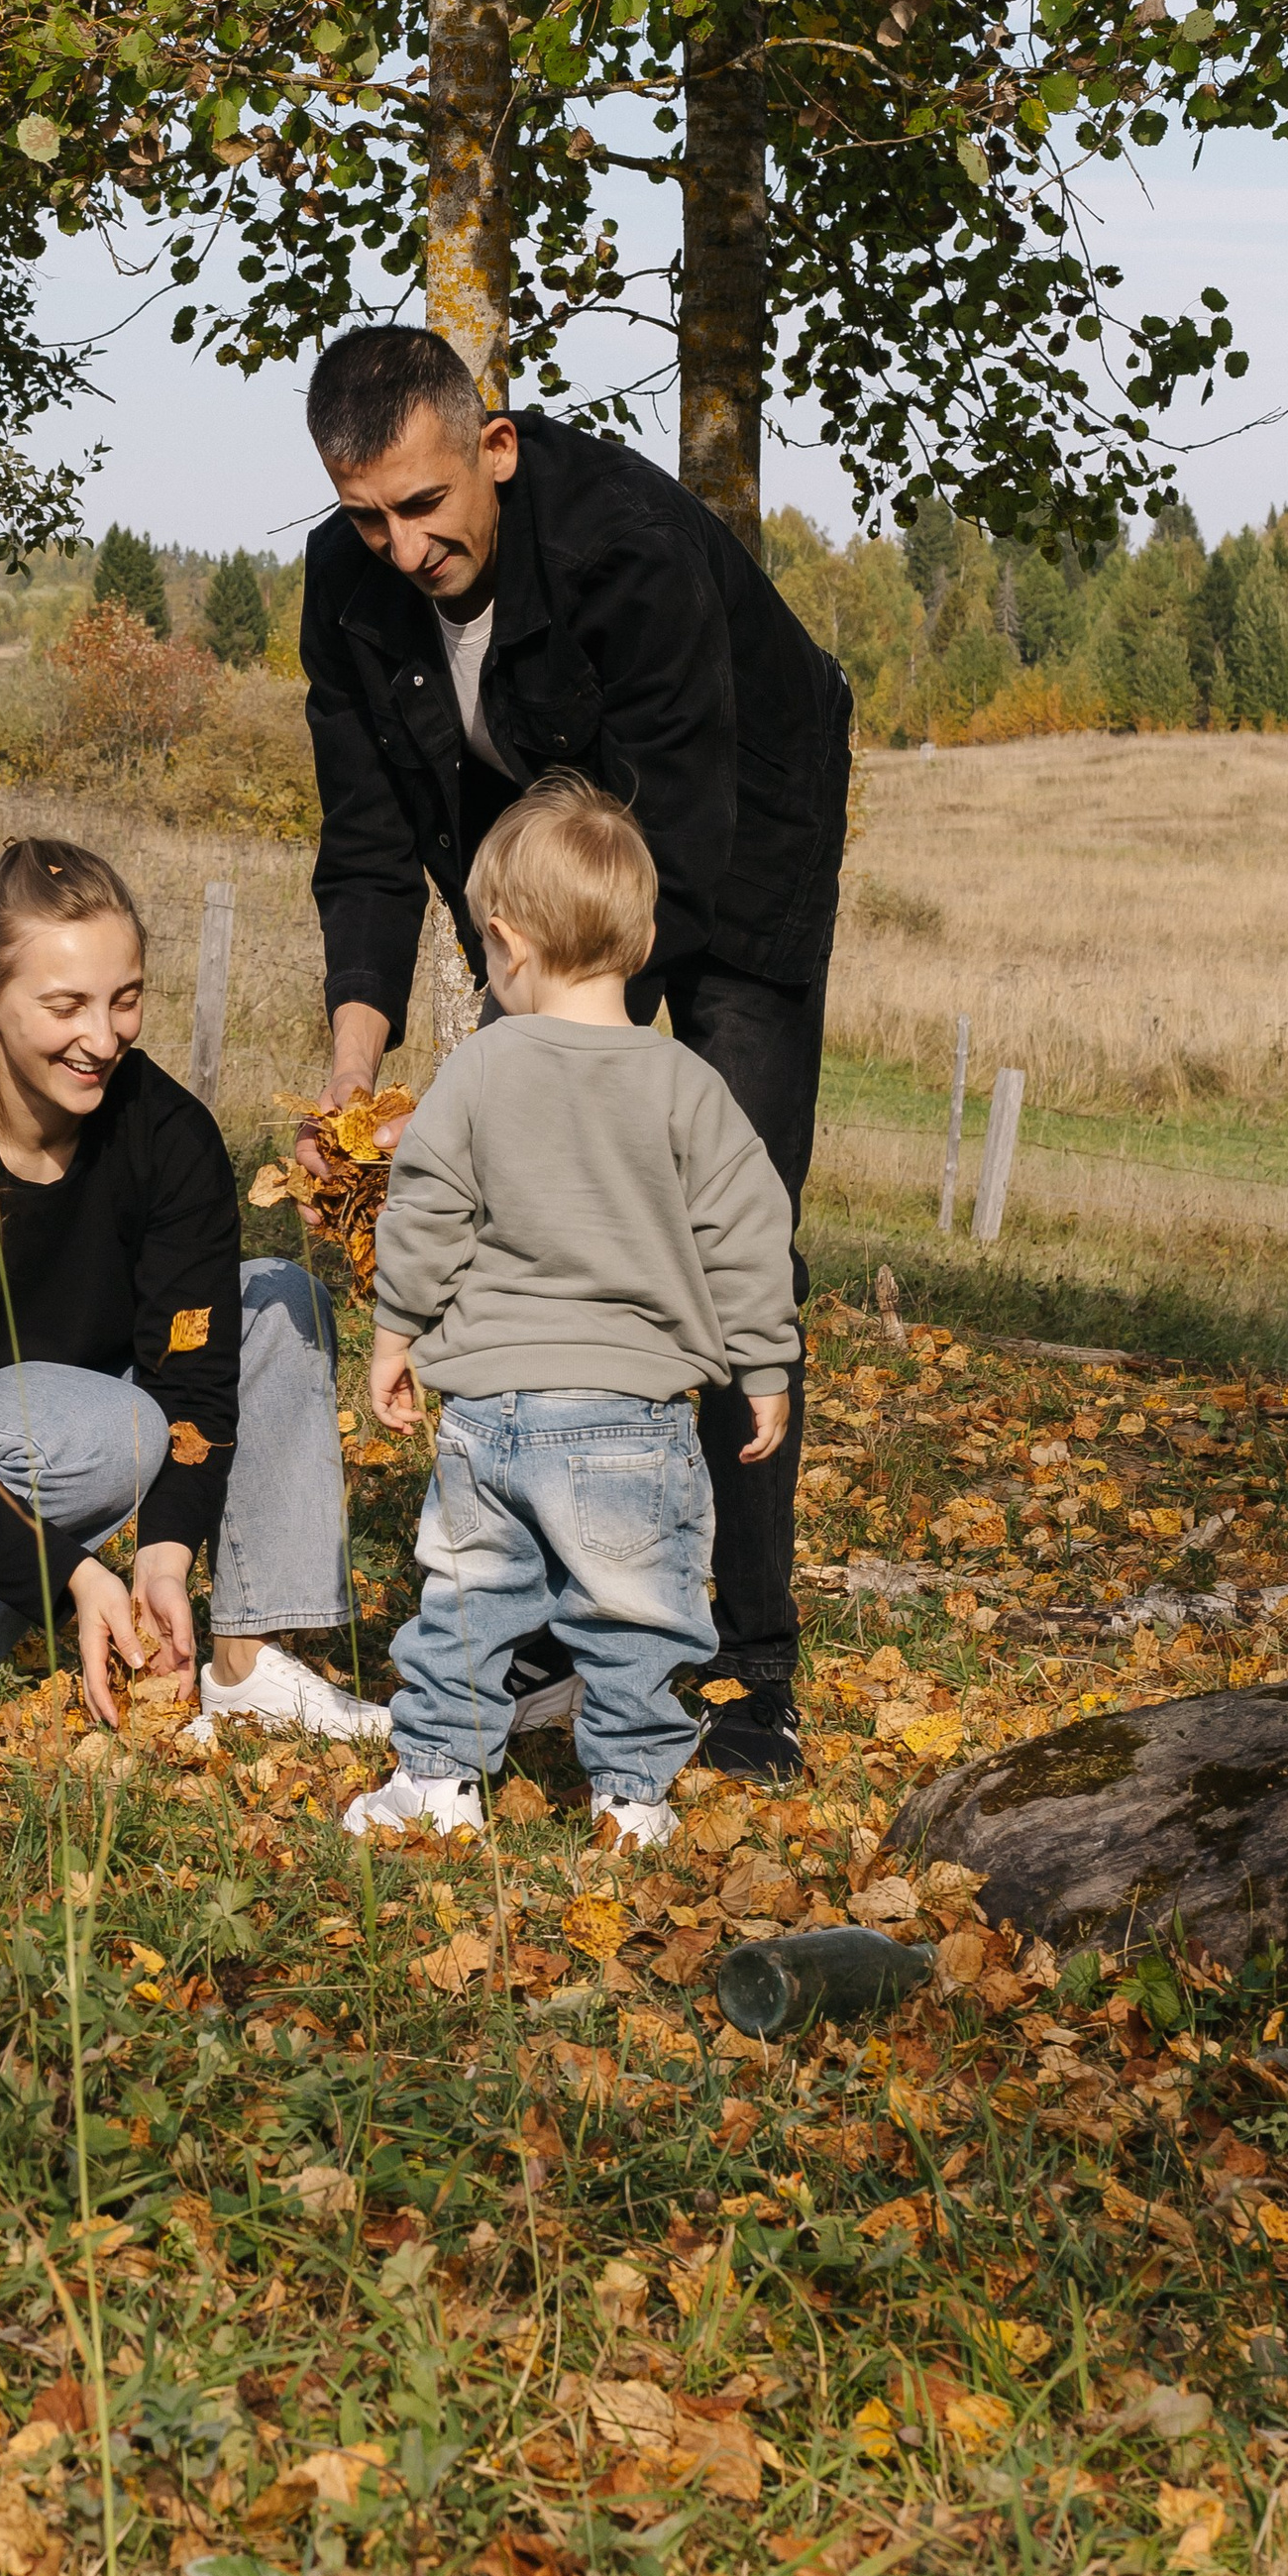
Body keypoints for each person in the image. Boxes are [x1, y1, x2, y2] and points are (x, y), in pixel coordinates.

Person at [300, 323, 848, 1786]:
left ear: (494, 449)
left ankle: (743, 1662)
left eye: (424, 506)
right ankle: (557, 1601)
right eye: (367, 517)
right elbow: (365, 844)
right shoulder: (345, 586)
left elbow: (683, 841)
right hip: (541, 868)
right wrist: (355, 1072)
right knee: (524, 1221)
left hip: (739, 836)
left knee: (719, 1231)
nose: (401, 549)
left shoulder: (629, 549)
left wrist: (528, 1074)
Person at [0, 835, 390, 1740]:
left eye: (124, 999)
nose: (103, 1037)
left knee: (282, 1301)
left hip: (50, 1404)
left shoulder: (172, 1138)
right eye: (66, 1006)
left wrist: (163, 1561)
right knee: (122, 1433)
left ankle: (246, 1662)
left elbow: (196, 1382)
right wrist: (74, 1579)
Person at [345, 779, 797, 1848]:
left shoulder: (480, 1068)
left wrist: (396, 1333)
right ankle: (631, 1798)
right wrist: (764, 1365)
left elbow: (427, 1211)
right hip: (634, 1415)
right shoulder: (686, 1085)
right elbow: (748, 1230)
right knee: (636, 1614)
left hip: (490, 1409)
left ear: (505, 941)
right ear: (640, 940)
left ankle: (438, 1781)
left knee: (467, 1598)